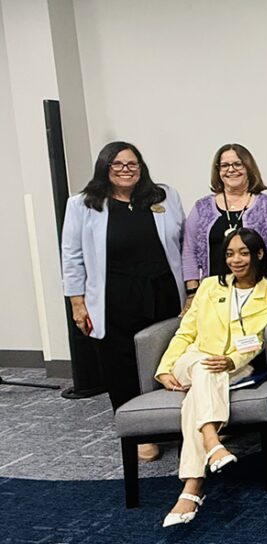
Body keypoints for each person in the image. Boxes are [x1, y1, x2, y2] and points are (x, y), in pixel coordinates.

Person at [61, 141, 186, 462]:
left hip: (161, 292)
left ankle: (172, 421)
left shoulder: (163, 196)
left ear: (141, 167)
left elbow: (184, 243)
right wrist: (77, 302)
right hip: (113, 297)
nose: (125, 170)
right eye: (117, 165)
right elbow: (72, 256)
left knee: (165, 358)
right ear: (105, 168)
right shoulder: (83, 204)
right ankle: (139, 432)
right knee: (121, 364)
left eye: (132, 164)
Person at [155, 228, 267, 527]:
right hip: (192, 358)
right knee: (203, 365)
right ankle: (213, 443)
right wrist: (165, 367)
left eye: (243, 252)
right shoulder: (210, 286)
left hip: (236, 365)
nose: (235, 260)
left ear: (259, 254)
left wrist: (231, 360)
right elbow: (186, 330)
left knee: (196, 396)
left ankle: (193, 486)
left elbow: (257, 339)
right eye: (229, 253)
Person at [181, 144, 267, 312]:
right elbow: (189, 252)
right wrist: (192, 293)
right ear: (218, 171)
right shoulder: (202, 207)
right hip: (214, 297)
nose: (231, 170)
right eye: (225, 165)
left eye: (237, 164)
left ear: (248, 167)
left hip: (259, 296)